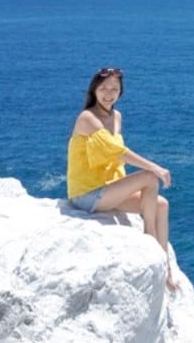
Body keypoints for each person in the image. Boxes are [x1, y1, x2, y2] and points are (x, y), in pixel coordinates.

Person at [67, 67, 179, 292]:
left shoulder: (116, 116)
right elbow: (117, 152)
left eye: (114, 89)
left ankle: (165, 268)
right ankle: (150, 242)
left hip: (108, 190)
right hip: (87, 194)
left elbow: (114, 155)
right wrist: (155, 167)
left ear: (121, 92)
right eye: (104, 88)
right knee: (149, 177)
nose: (109, 93)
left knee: (161, 205)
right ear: (94, 90)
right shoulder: (87, 118)